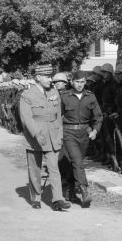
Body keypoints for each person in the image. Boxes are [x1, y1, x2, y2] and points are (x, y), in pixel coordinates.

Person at [19, 64, 70, 211]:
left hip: (53, 136)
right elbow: (26, 119)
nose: (51, 79)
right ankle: (36, 198)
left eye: (51, 76)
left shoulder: (54, 92)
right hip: (35, 137)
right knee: (35, 169)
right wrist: (36, 134)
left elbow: (58, 117)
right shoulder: (27, 95)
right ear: (38, 77)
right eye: (47, 77)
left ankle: (58, 199)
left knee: (54, 168)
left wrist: (59, 135)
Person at [60, 70, 103, 208]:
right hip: (68, 133)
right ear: (72, 82)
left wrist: (95, 130)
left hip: (84, 133)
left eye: (82, 82)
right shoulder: (65, 96)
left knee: (74, 163)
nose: (80, 85)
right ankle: (84, 191)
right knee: (77, 161)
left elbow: (98, 116)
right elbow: (56, 116)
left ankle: (69, 191)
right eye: (77, 82)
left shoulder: (90, 96)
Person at [99, 63, 120, 172]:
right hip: (106, 113)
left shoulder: (113, 84)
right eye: (103, 72)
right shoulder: (105, 84)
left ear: (110, 73)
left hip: (111, 114)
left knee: (112, 139)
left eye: (105, 72)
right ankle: (111, 159)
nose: (103, 74)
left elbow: (115, 100)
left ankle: (116, 161)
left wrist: (111, 111)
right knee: (107, 138)